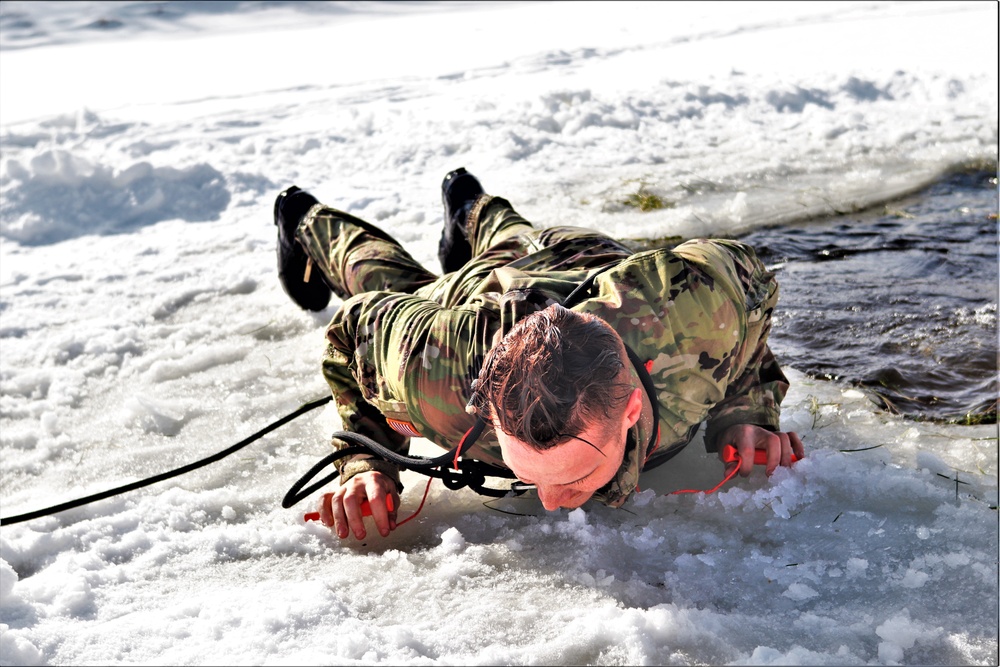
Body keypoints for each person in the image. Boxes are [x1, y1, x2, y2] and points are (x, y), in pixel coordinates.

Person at [273, 169, 804, 541]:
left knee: (513, 233)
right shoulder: (437, 373)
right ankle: (302, 216)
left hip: (579, 254)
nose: (550, 502)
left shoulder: (689, 314)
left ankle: (468, 206)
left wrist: (747, 409)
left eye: (570, 476)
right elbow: (351, 332)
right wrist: (366, 459)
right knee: (393, 281)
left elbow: (750, 296)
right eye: (528, 471)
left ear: (631, 412)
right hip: (479, 299)